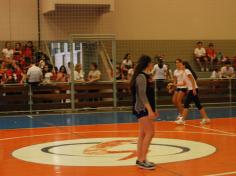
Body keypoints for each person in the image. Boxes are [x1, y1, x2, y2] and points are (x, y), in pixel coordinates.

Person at [130, 55, 159, 170]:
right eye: (151, 62)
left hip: (146, 108)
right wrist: (150, 110)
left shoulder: (147, 76)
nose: (152, 64)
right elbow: (142, 95)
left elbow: (150, 95)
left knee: (142, 134)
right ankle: (142, 160)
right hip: (142, 108)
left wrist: (154, 108)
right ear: (147, 63)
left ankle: (140, 159)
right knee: (150, 133)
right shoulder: (141, 76)